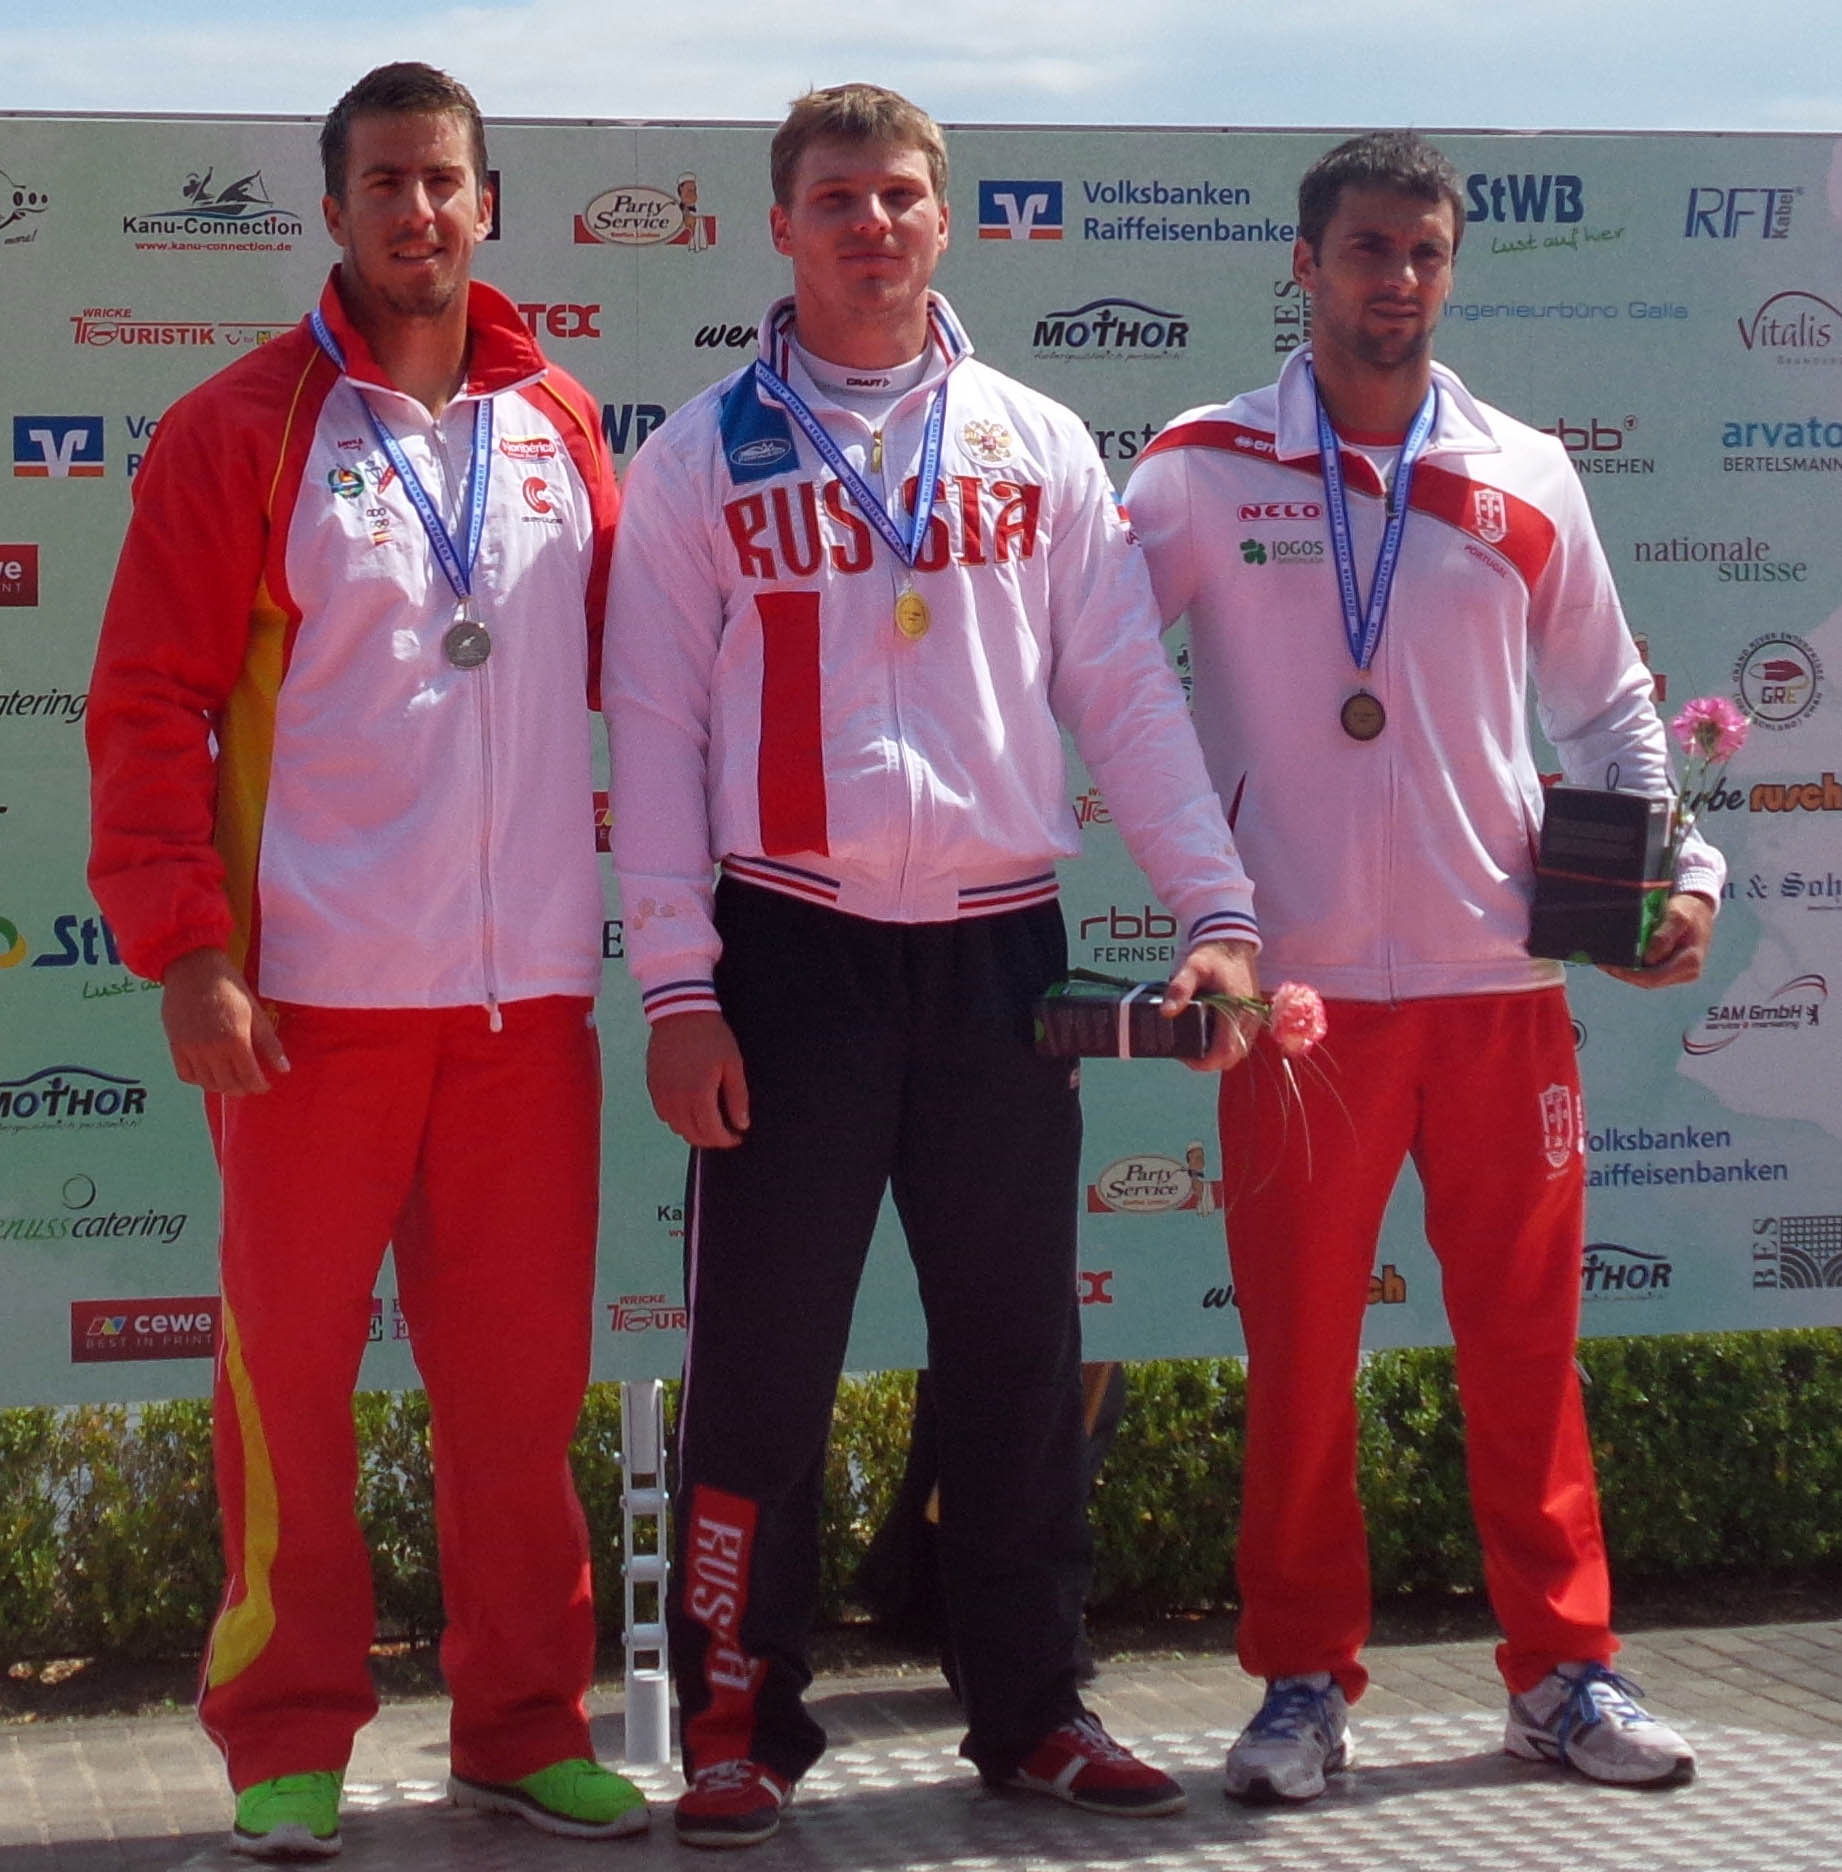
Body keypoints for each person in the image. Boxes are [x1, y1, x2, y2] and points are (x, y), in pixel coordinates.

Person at [604, 82, 1260, 1849]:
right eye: (837, 199)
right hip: (787, 958)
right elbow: (652, 742)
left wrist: (1217, 913)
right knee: (759, 1362)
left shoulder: (1037, 442)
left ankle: (1033, 1711)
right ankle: (737, 1724)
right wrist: (678, 987)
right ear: (782, 225)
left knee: (1014, 1356)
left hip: (992, 960)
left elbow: (1125, 699)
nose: (871, 225)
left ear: (945, 219)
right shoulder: (695, 456)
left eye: (899, 196)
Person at [85, 61, 645, 1859]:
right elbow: (151, 707)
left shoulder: (560, 421)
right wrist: (187, 949)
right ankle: (283, 1734)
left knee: (514, 1399)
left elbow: (650, 680)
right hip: (308, 1004)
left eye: (448, 181)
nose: (420, 211)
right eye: (386, 181)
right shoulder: (240, 427)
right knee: (289, 1393)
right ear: (332, 211)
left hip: (523, 1006)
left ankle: (520, 1721)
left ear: (491, 207)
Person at [1125, 129, 1723, 1804]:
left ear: (1450, 272)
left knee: (1525, 1352)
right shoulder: (1195, 464)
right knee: (1302, 1362)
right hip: (1295, 1001)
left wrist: (1665, 873)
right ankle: (1300, 1682)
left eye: (1424, 252)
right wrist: (1203, 904)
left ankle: (1566, 1674)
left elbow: (1607, 704)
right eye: (1366, 248)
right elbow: (1096, 679)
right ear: (1303, 265)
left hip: (1496, 995)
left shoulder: (1524, 470)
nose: (1395, 279)